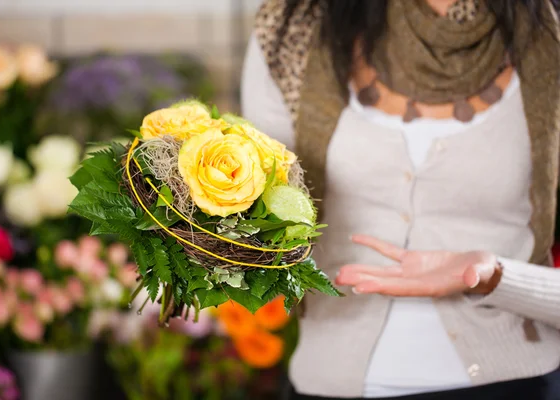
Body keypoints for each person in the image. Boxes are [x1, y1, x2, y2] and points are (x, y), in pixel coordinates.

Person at [240, 0, 560, 399]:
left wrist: (496, 277)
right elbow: (260, 224)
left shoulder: (551, 33)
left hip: (516, 383)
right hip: (327, 380)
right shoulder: (294, 28)